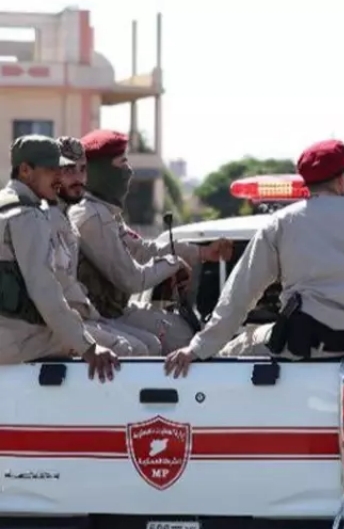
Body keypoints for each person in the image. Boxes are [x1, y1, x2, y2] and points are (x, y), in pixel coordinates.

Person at [163, 139, 344, 380]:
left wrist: (198, 348)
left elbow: (241, 293)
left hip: (307, 347)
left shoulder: (283, 223)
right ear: (342, 180)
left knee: (239, 346)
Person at [70, 129, 233, 354]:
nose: (129, 170)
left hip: (112, 310)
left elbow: (141, 250)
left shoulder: (104, 213)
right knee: (145, 348)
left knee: (183, 334)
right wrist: (173, 264)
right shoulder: (93, 217)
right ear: (104, 171)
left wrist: (201, 253)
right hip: (96, 314)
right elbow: (131, 279)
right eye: (122, 162)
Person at [0, 135, 120, 379]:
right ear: (25, 170)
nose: (59, 178)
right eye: (51, 170)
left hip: (10, 332)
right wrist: (88, 348)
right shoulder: (27, 216)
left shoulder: (5, 205)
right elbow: (44, 290)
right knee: (124, 349)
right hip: (16, 340)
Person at [48, 136, 160, 355]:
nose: (79, 178)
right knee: (129, 350)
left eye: (83, 170)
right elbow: (44, 289)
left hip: (79, 316)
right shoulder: (40, 218)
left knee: (151, 345)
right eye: (69, 170)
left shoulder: (65, 218)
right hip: (46, 324)